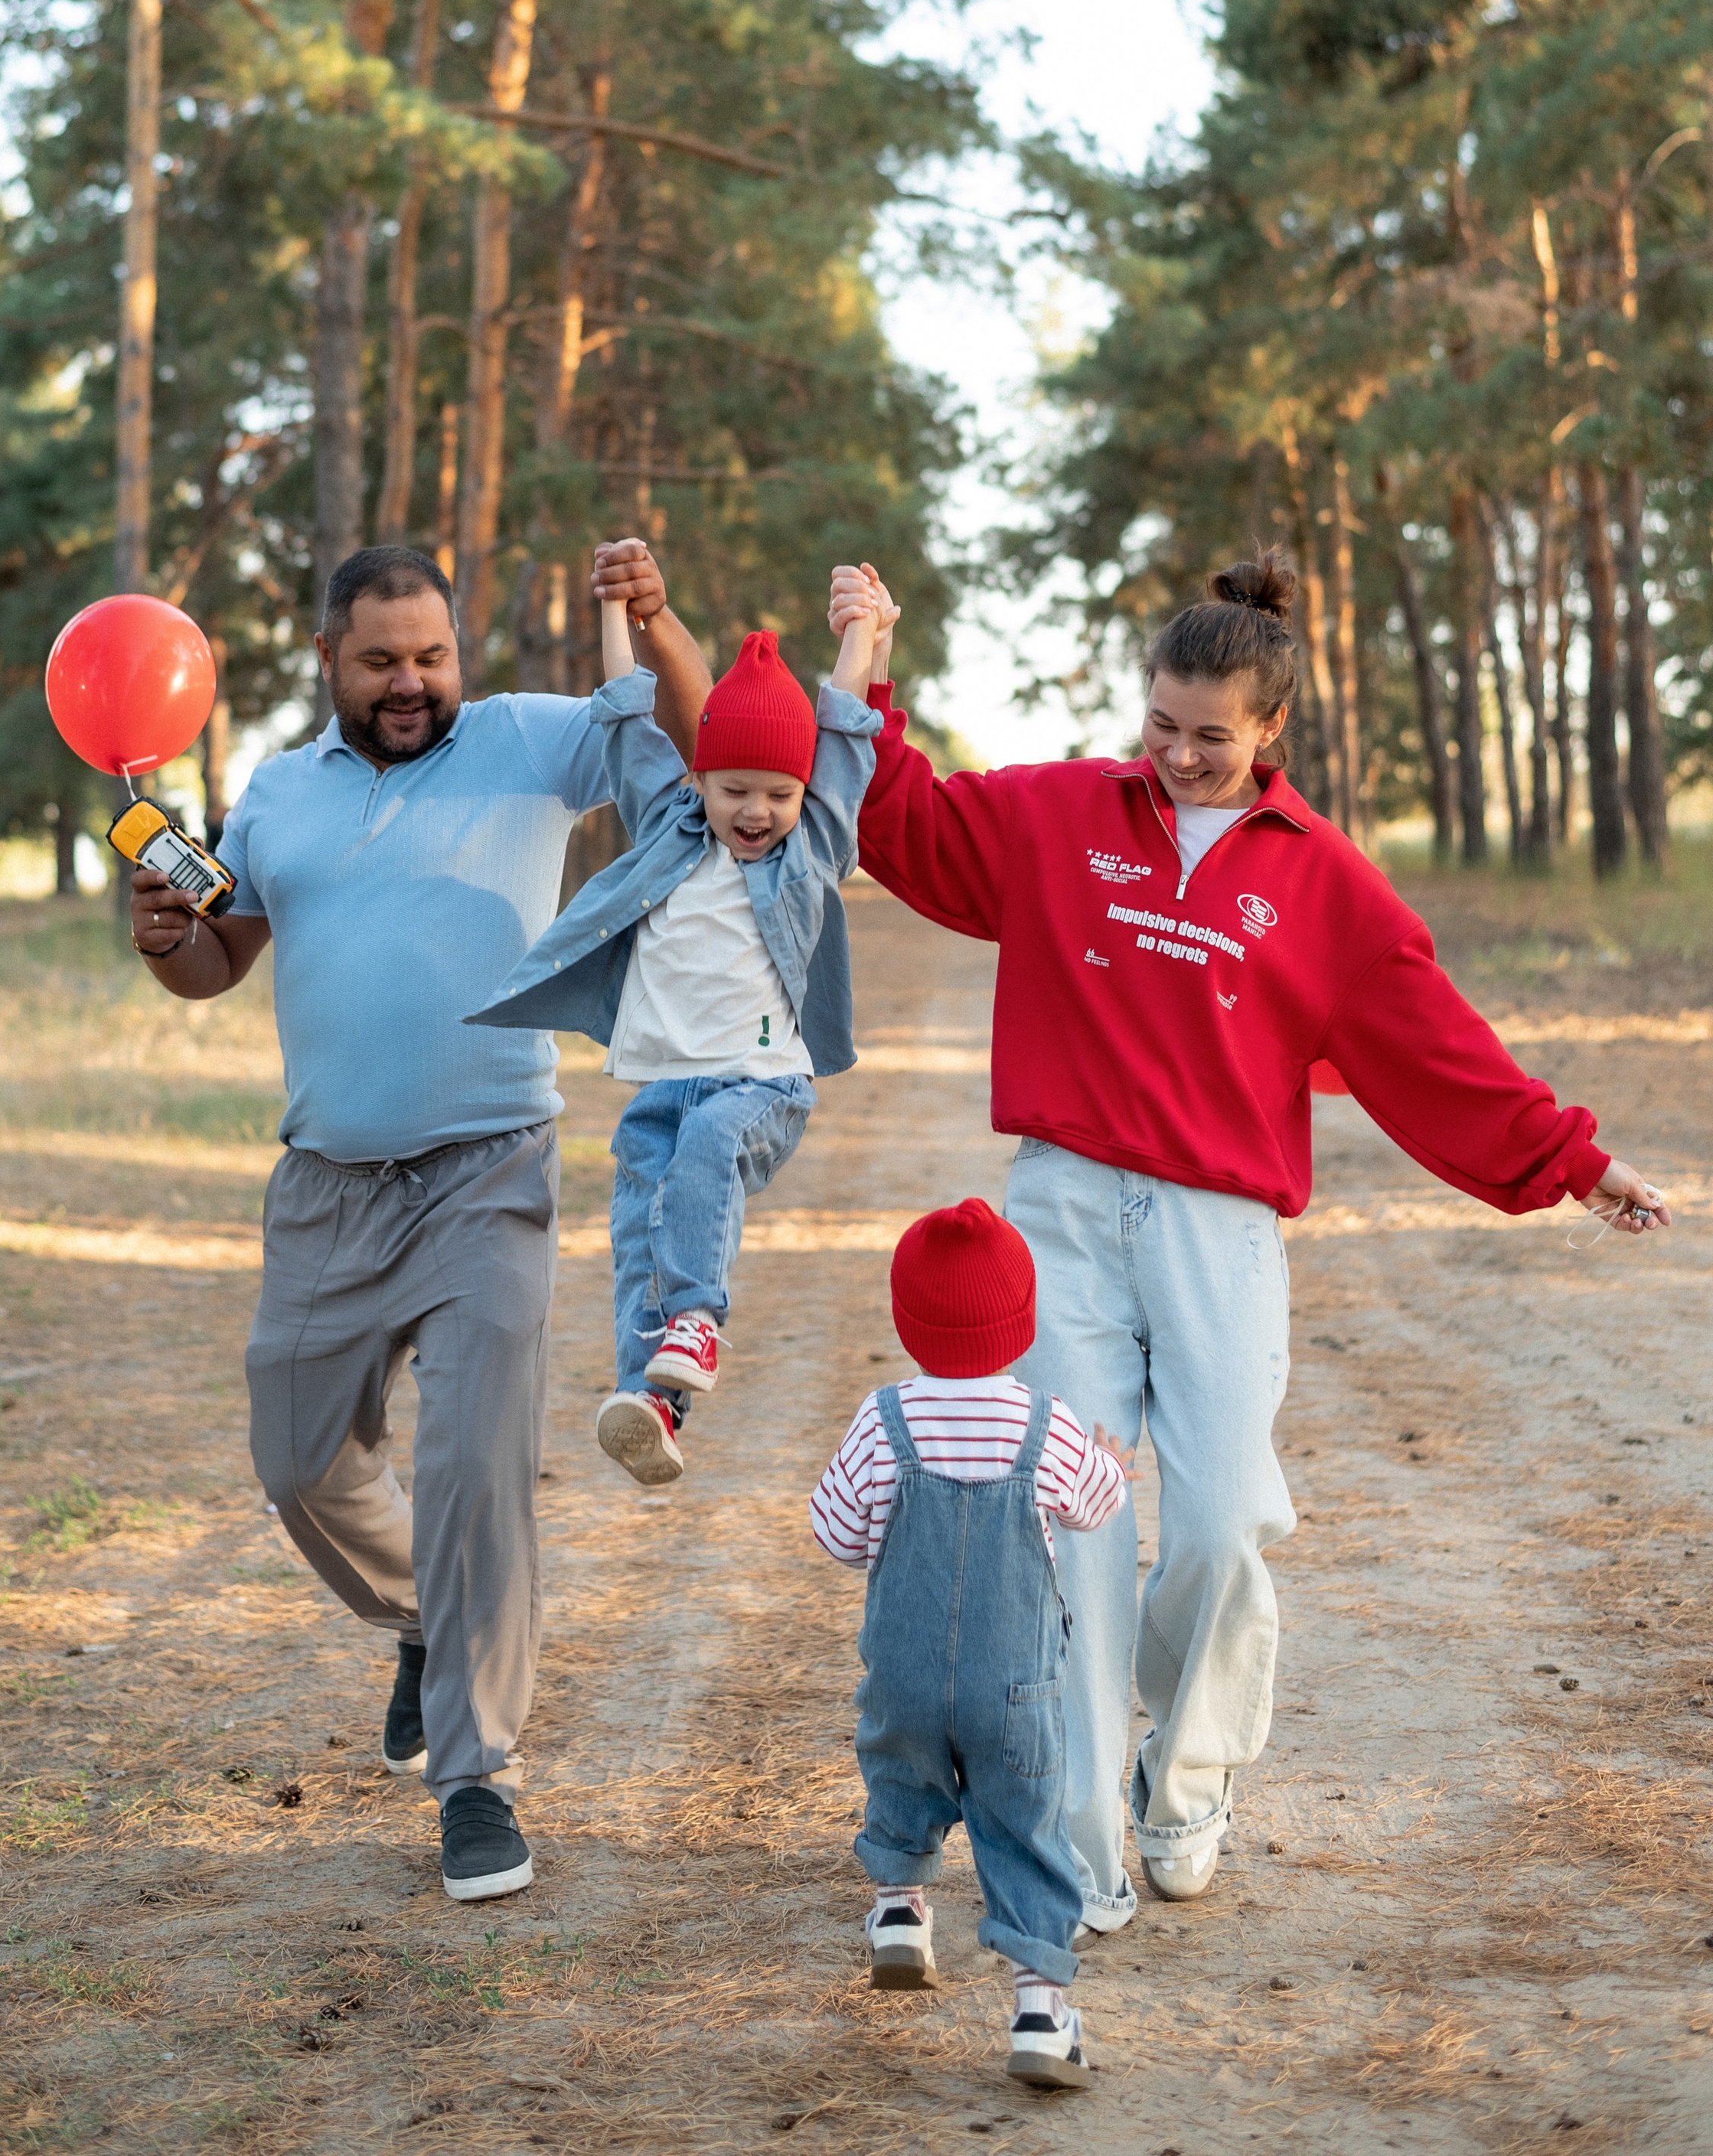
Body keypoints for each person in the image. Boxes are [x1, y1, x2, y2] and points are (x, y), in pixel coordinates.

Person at [828, 548, 1669, 1939]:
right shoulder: (1058, 815)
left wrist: (1573, 1162)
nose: (1174, 756)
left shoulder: (1324, 883)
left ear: (1272, 730)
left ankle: (1193, 1773)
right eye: (1159, 725)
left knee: (1219, 1524)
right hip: (1064, 1210)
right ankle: (1079, 1842)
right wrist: (866, 662)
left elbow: (1435, 1051)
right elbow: (901, 823)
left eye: (1209, 737)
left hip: (1219, 1232)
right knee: (1072, 1529)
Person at [129, 538, 710, 1906]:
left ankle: (477, 1779)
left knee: (473, 1471)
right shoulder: (272, 794)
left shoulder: (529, 743)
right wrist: (165, 937)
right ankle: (423, 1626)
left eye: (432, 656)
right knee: (297, 1458)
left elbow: (697, 729)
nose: (412, 683)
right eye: (382, 660)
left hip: (488, 1170)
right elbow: (221, 962)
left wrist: (657, 618)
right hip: (325, 1184)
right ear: (329, 660)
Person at [470, 579, 883, 1486]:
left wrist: (860, 633)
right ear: (697, 777)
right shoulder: (668, 824)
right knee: (637, 1224)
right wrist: (615, 616)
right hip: (665, 1083)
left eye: (779, 792)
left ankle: (699, 1320)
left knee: (707, 1144)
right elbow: (625, 718)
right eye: (736, 788)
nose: (756, 811)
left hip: (761, 1087)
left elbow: (848, 729)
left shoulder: (813, 845)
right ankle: (647, 1399)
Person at [810, 1199, 1132, 2091]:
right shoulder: (1047, 1423)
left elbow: (835, 1533)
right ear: (1021, 1323)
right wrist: (1112, 1461)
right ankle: (1039, 2008)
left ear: (905, 1322)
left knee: (901, 1781)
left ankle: (900, 1915)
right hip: (1017, 1691)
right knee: (1023, 1828)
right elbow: (1092, 1505)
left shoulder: (882, 1422)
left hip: (906, 1675)